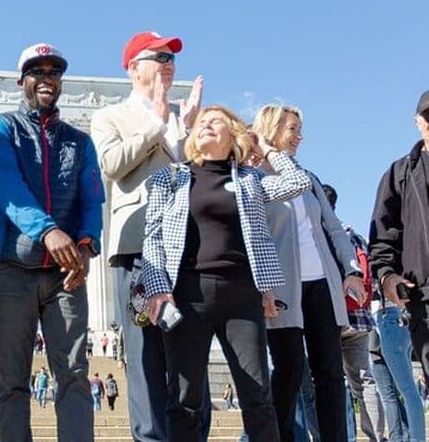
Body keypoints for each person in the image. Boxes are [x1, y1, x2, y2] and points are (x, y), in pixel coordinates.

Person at [142, 105, 311, 441]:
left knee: (257, 394)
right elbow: (153, 235)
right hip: (188, 295)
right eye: (201, 122)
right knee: (184, 397)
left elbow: (297, 182)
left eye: (215, 121)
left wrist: (265, 148)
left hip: (242, 295)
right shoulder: (172, 176)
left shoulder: (251, 179)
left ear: (233, 134)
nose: (205, 125)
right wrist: (159, 289)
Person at [0, 42, 104, 442]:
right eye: (37, 71)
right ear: (22, 81)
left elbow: (92, 198)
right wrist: (49, 230)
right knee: (11, 380)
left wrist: (86, 245)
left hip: (64, 275)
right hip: (10, 269)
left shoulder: (80, 142)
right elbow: (7, 189)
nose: (47, 79)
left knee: (74, 374)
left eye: (54, 72)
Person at [90, 30, 203, 442]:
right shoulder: (110, 116)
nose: (168, 64)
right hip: (138, 247)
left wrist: (189, 134)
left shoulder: (186, 116)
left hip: (189, 247)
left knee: (190, 355)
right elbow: (113, 165)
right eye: (159, 56)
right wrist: (158, 124)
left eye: (172, 58)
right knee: (144, 356)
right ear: (133, 67)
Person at [251, 104, 365, 442]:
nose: (299, 136)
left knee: (329, 372)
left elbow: (333, 229)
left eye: (300, 128)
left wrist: (351, 269)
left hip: (322, 286)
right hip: (283, 289)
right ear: (271, 131)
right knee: (287, 372)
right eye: (292, 128)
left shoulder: (310, 178)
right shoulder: (253, 177)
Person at [369, 90, 429, 441]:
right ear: (419, 122)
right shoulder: (400, 174)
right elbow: (383, 234)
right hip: (424, 297)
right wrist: (387, 275)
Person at [321, 183, 386, 441]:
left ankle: (342, 435)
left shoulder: (322, 234)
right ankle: (375, 436)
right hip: (359, 318)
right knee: (364, 381)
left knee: (332, 379)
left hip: (331, 316)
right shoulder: (353, 234)